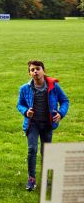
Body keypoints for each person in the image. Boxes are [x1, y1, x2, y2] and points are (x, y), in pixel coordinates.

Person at [17, 60, 69, 191]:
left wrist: (61, 113)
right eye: (32, 70)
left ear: (43, 70)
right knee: (32, 150)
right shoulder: (24, 89)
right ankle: (31, 179)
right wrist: (25, 111)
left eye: (37, 69)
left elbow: (64, 100)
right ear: (29, 73)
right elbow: (19, 104)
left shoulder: (53, 86)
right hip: (32, 124)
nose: (35, 71)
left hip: (47, 124)